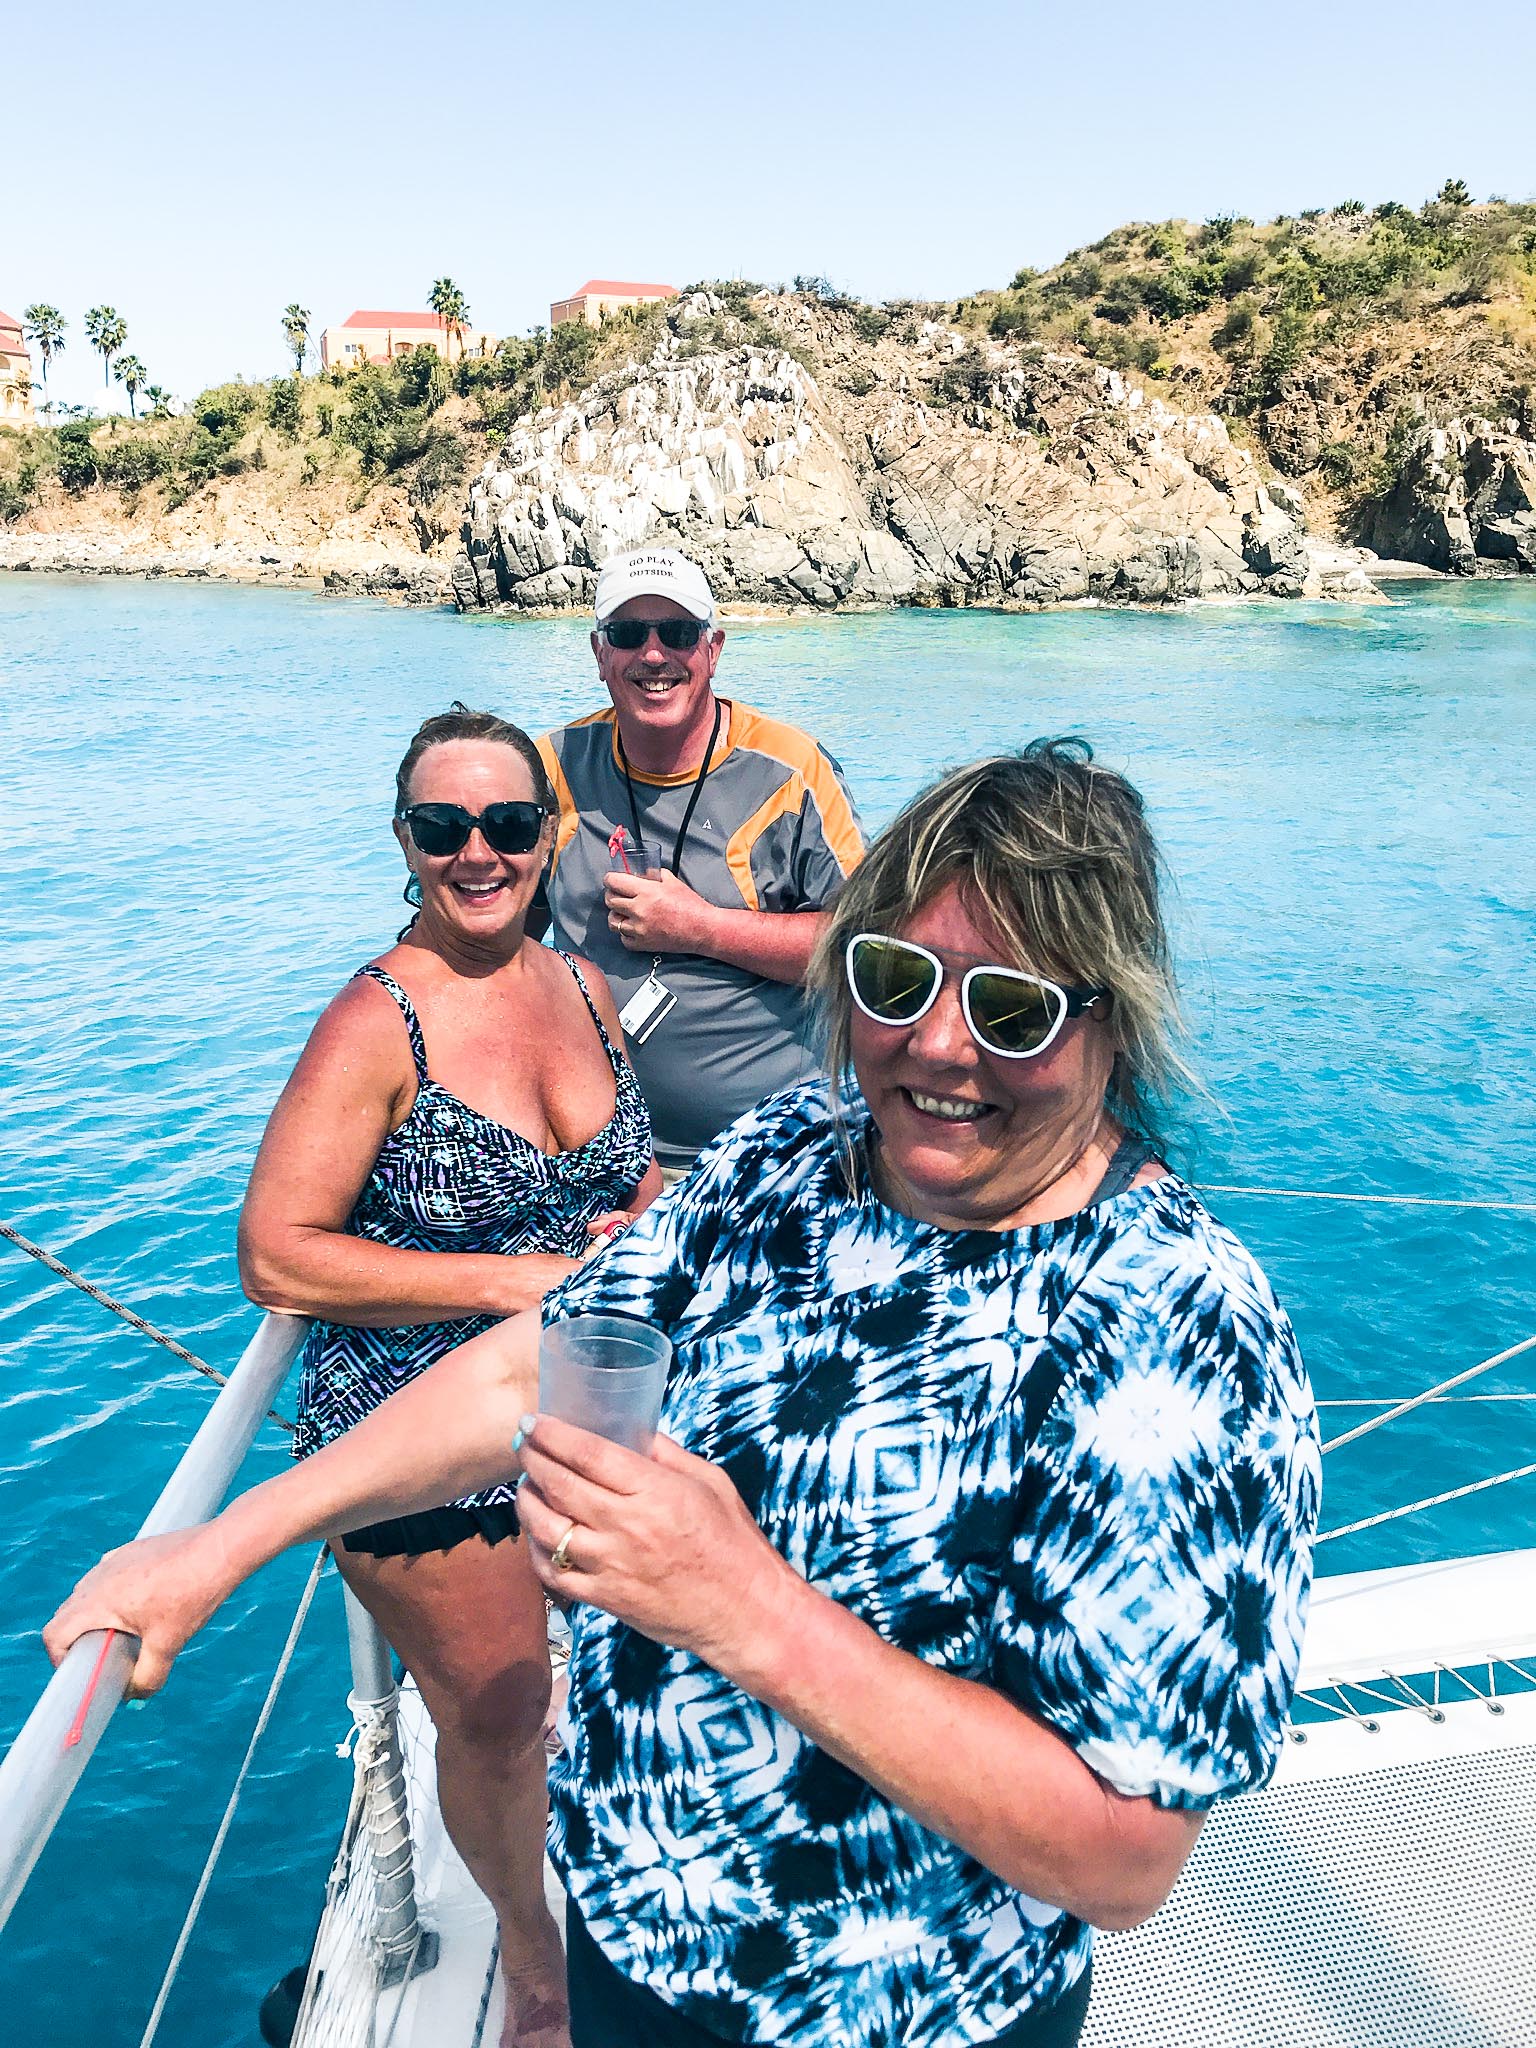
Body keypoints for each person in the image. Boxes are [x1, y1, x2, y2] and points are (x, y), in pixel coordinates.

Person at [49, 740, 1319, 2048]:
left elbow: (1121, 1861)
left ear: (1110, 1017)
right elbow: (545, 1353)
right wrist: (219, 1546)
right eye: (896, 980)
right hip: (629, 1947)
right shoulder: (804, 1148)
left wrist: (737, 1601)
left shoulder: (1181, 1336)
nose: (939, 1047)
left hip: (886, 2016)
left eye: (1012, 1010)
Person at [236, 702, 659, 2048]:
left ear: (552, 834)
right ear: (408, 842)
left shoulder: (583, 985)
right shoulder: (378, 1021)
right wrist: (511, 1279)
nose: (478, 853)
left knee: (647, 1666)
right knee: (499, 1706)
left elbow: (632, 1175)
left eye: (508, 823)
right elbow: (276, 1256)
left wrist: (638, 1232)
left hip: (584, 1402)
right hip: (411, 1425)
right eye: (443, 827)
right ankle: (535, 1961)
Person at [534, 546, 865, 1174]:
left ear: (712, 649)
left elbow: (864, 949)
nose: (654, 655)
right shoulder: (550, 770)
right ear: (600, 654)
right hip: (598, 1158)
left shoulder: (792, 772)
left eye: (678, 633)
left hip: (775, 1153)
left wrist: (701, 929)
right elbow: (493, 943)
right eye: (629, 634)